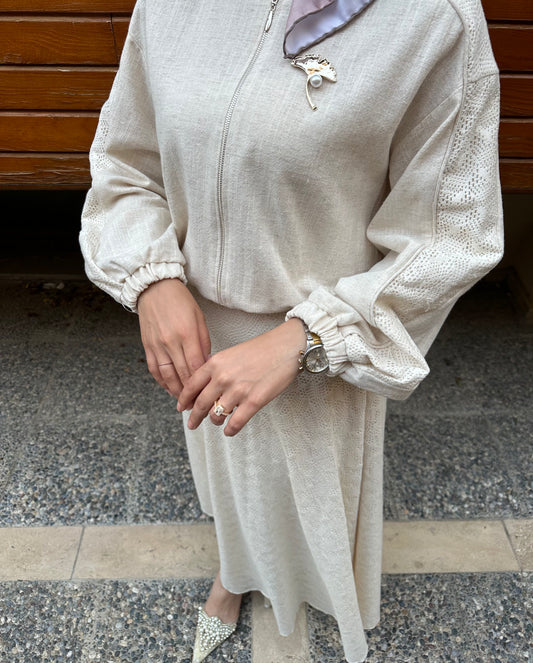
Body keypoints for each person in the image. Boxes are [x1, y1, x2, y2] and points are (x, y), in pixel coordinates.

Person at [79, 0, 504, 660]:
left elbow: (453, 232)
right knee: (230, 480)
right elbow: (127, 160)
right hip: (198, 329)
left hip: (318, 347)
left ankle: (297, 581)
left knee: (311, 497)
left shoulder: (433, 19)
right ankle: (234, 571)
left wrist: (311, 336)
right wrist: (152, 278)